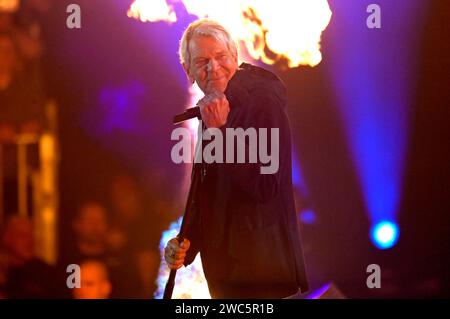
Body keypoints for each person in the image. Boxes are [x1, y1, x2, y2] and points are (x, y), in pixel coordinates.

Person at [164, 19, 309, 298]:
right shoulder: (211, 111)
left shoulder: (263, 102)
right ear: (188, 70)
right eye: (202, 60)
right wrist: (187, 243)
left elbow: (265, 186)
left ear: (235, 57)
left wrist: (221, 132)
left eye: (220, 57)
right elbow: (209, 190)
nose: (213, 67)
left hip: (264, 278)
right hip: (225, 278)